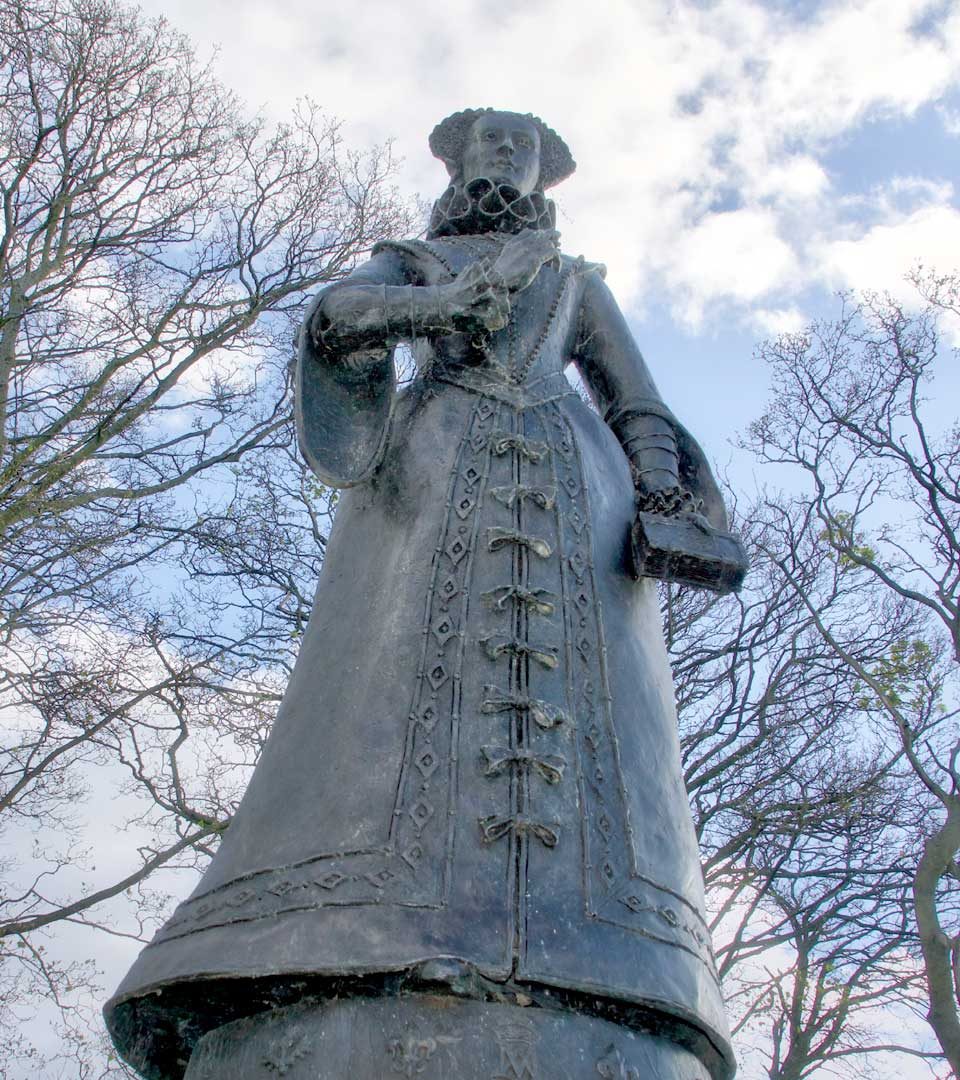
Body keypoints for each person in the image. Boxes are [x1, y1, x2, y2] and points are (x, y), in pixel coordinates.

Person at [106, 109, 736, 1080]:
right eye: (487, 147)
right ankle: (345, 898)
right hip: (433, 473)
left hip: (576, 489)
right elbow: (335, 319)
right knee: (389, 679)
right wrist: (438, 312)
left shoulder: (572, 282)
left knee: (588, 716)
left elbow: (636, 398)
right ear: (458, 166)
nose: (502, 160)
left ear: (538, 178)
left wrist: (655, 487)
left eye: (518, 151)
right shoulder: (408, 259)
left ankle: (595, 930)